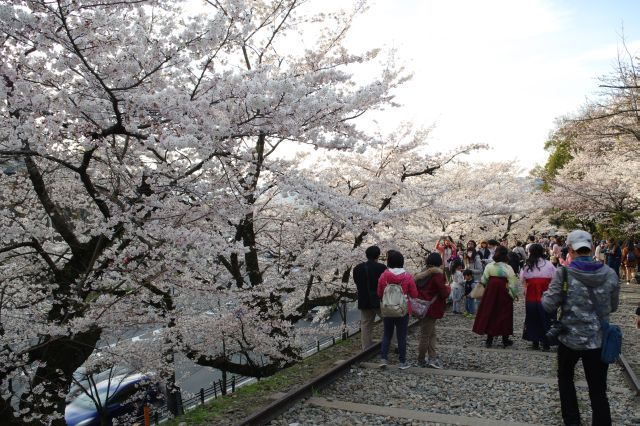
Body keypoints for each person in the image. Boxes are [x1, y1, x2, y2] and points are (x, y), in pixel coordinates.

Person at [541, 229, 619, 426]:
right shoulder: (609, 273)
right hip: (598, 339)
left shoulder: (564, 273)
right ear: (592, 248)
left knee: (566, 380)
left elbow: (549, 305)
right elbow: (613, 306)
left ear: (570, 250)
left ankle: (572, 421)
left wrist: (546, 295)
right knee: (598, 390)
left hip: (569, 339)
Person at [377, 250, 418, 369]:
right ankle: (402, 362)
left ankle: (383, 359)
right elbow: (414, 294)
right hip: (402, 310)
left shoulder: (384, 275)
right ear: (402, 262)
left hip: (387, 309)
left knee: (386, 335)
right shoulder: (407, 276)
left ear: (388, 262)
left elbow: (379, 293)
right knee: (401, 336)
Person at [472, 246, 518, 348]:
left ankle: (489, 339)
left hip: (491, 292)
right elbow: (513, 283)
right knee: (505, 314)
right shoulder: (508, 268)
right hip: (504, 293)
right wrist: (513, 294)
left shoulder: (489, 266)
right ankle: (505, 340)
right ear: (506, 255)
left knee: (491, 313)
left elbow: (483, 280)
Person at [413, 252, 450, 369]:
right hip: (431, 308)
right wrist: (449, 287)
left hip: (421, 307)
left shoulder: (421, 274)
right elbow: (444, 293)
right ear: (439, 263)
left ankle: (432, 357)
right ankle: (421, 359)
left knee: (432, 333)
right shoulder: (437, 276)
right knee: (425, 335)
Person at [520, 244, 555, 350]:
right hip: (546, 293)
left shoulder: (527, 265)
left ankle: (534, 341)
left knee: (532, 317)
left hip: (531, 294)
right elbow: (555, 278)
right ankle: (546, 342)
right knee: (546, 317)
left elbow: (522, 278)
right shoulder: (549, 265)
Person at [352, 245, 387, 350]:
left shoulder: (357, 268)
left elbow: (356, 282)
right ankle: (393, 344)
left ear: (366, 255)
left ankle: (366, 347)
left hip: (364, 300)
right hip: (379, 300)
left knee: (366, 324)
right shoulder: (382, 268)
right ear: (378, 255)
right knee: (389, 321)